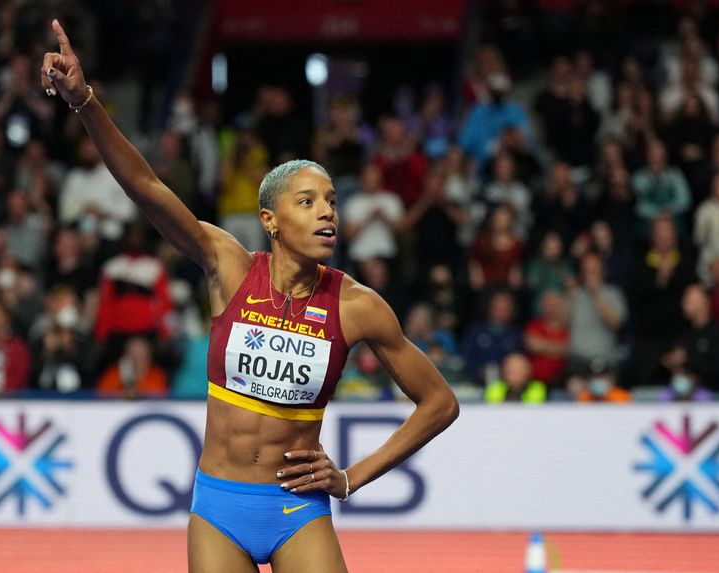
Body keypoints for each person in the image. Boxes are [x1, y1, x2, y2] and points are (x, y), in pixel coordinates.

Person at [41, 20, 458, 572]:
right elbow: (146, 187)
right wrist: (86, 102)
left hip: (298, 511)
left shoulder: (357, 305)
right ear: (271, 220)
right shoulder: (229, 266)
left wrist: (352, 477)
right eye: (307, 201)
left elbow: (440, 403)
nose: (328, 211)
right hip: (220, 509)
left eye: (331, 200)